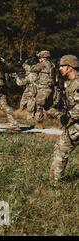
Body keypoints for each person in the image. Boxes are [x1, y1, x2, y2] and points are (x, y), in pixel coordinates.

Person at [46, 55, 79, 183]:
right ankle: (54, 181)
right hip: (75, 123)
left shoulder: (77, 83)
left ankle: (55, 183)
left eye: (62, 66)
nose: (60, 68)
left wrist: (69, 115)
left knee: (62, 149)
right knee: (60, 148)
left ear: (70, 67)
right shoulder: (69, 83)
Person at [29, 50, 56, 127]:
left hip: (44, 88)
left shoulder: (43, 64)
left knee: (38, 104)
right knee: (48, 108)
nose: (39, 59)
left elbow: (33, 69)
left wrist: (31, 64)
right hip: (50, 88)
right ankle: (61, 117)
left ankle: (38, 123)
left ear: (43, 57)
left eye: (40, 57)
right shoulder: (52, 64)